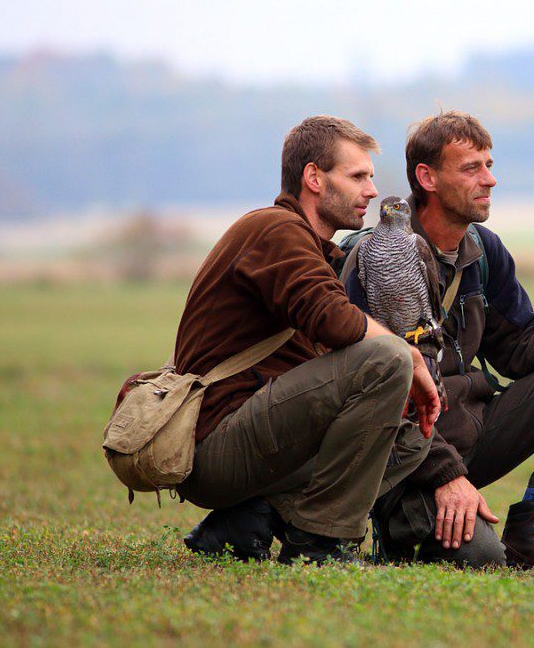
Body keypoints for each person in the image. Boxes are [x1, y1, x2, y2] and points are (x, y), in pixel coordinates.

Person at [341, 111, 534, 572]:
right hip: (402, 453)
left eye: (489, 164)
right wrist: (444, 475)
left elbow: (517, 349)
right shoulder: (372, 256)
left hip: (472, 427)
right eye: (472, 168)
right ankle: (396, 522)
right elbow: (365, 391)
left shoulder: (483, 251)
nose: (490, 179)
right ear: (426, 177)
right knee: (482, 558)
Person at [175, 116, 441, 565]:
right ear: (314, 178)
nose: (372, 191)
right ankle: (320, 543)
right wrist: (410, 355)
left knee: (410, 436)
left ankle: (249, 519)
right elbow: (335, 322)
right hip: (215, 446)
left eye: (371, 178)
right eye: (358, 176)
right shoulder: (276, 230)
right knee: (388, 359)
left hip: (255, 445)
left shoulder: (315, 249)